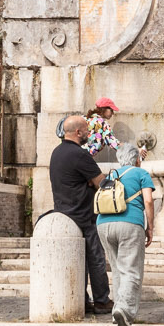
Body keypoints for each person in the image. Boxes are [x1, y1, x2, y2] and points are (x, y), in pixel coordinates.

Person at [49, 112, 113, 314]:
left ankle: (82, 299)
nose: (89, 132)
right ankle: (102, 300)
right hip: (84, 214)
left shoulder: (56, 153)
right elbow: (101, 182)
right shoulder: (80, 154)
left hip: (64, 212)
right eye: (86, 129)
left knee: (78, 261)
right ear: (78, 132)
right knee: (96, 257)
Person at [97, 136, 157, 326]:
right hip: (130, 223)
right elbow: (148, 201)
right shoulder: (141, 173)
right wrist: (150, 226)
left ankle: (117, 309)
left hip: (104, 224)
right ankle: (124, 310)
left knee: (117, 269)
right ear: (137, 160)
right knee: (131, 270)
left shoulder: (112, 174)